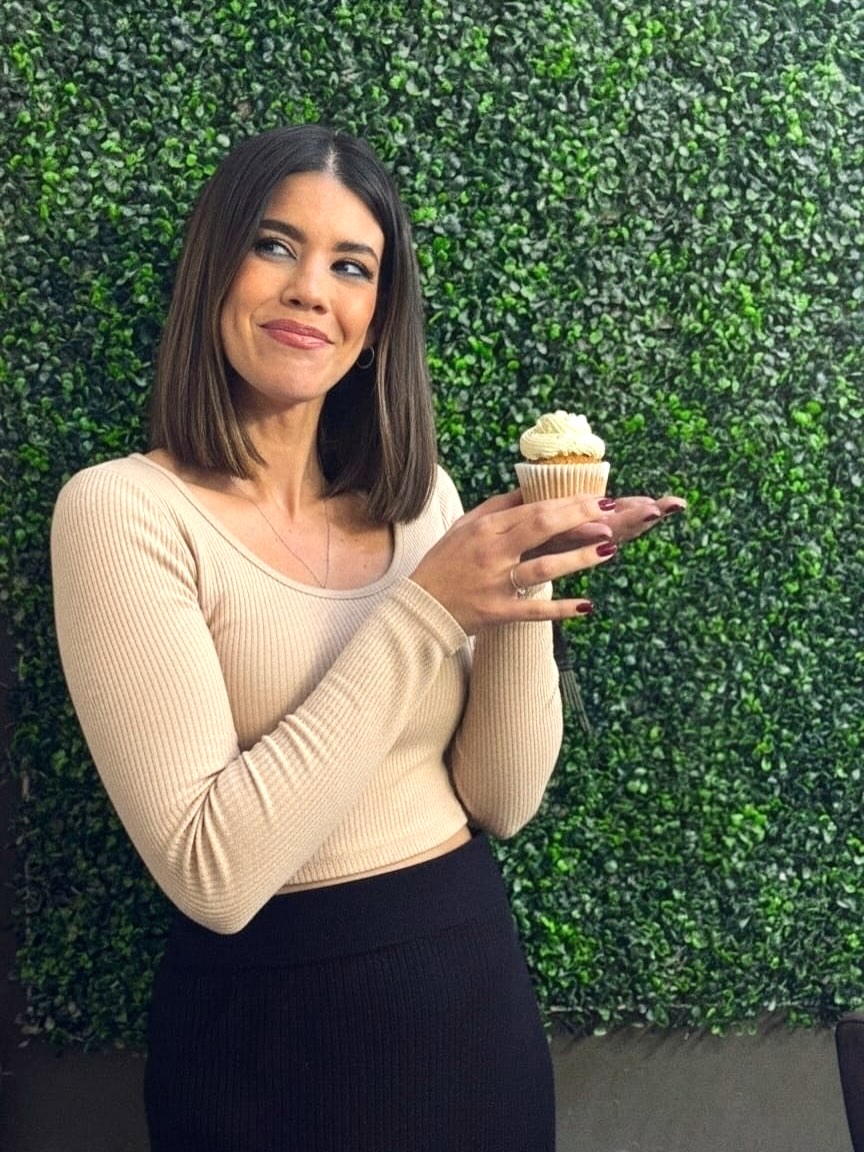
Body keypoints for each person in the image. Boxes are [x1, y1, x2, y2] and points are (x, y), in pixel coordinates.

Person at [50, 124, 685, 1152]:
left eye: (352, 266)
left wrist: (523, 574)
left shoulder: (423, 502)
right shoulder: (124, 512)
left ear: (379, 317)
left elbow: (502, 800)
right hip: (268, 1046)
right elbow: (213, 874)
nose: (312, 290)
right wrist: (430, 609)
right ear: (213, 270)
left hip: (473, 1007)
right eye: (274, 246)